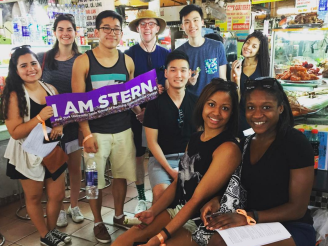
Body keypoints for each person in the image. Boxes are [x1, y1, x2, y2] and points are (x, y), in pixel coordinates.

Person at [111, 78, 241, 246]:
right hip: (179, 210)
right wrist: (153, 211)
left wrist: (159, 238)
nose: (216, 112)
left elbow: (196, 200)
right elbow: (180, 181)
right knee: (122, 242)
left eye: (225, 108)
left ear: (232, 114)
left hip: (204, 223)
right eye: (211, 104)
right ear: (202, 105)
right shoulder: (195, 138)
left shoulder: (228, 148)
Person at [201, 77, 316, 246]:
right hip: (254, 223)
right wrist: (219, 199)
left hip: (292, 227)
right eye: (251, 107)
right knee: (214, 239)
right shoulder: (246, 143)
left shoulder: (296, 143)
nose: (257, 114)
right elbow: (239, 186)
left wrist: (249, 216)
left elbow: (297, 209)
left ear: (281, 108)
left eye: (266, 107)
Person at [71, 10, 142, 244]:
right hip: (95, 134)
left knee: (121, 176)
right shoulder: (83, 61)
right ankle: (98, 221)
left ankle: (119, 216)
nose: (112, 33)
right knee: (93, 182)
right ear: (97, 32)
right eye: (107, 28)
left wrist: (140, 111)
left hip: (123, 130)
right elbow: (77, 103)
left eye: (116, 29)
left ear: (121, 33)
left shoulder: (127, 61)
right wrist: (86, 133)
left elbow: (130, 98)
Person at [2, 46, 71, 246]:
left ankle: (52, 231)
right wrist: (40, 118)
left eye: (33, 63)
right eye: (23, 65)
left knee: (57, 195)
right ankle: (44, 235)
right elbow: (15, 132)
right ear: (16, 70)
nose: (30, 68)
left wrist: (59, 123)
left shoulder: (50, 88)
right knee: (33, 197)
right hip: (27, 152)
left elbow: (60, 115)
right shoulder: (13, 95)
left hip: (51, 150)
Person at [37, 14, 84, 228]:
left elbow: (83, 94)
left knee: (75, 167)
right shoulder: (44, 58)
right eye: (61, 29)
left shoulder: (82, 59)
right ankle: (61, 208)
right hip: (49, 126)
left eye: (69, 29)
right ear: (55, 32)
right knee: (55, 169)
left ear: (75, 32)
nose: (65, 33)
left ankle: (74, 205)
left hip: (74, 123)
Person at [125, 9, 170, 214]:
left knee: (160, 153)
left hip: (161, 113)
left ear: (157, 28)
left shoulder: (166, 54)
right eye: (142, 24)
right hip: (136, 113)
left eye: (151, 24)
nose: (147, 28)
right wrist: (137, 111)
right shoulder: (129, 55)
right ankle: (142, 196)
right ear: (137, 28)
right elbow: (125, 88)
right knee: (138, 155)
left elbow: (171, 83)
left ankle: (160, 195)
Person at [143, 50, 198, 204]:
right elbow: (152, 142)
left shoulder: (198, 102)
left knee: (195, 196)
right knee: (162, 195)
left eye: (183, 70)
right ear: (166, 73)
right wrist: (170, 171)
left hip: (190, 159)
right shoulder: (154, 105)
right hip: (161, 161)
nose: (178, 75)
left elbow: (200, 137)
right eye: (173, 70)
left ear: (190, 73)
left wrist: (185, 166)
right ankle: (159, 227)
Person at [177, 4, 227, 96]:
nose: (192, 25)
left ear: (202, 22)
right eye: (187, 22)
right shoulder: (178, 53)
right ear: (182, 26)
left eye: (195, 20)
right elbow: (177, 84)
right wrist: (188, 82)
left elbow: (222, 79)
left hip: (214, 101)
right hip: (191, 104)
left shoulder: (217, 47)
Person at [230, 31, 270, 138]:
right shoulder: (236, 66)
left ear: (258, 51)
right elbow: (235, 99)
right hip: (241, 117)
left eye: (254, 46)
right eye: (247, 43)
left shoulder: (265, 68)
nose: (248, 47)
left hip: (259, 116)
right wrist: (237, 77)